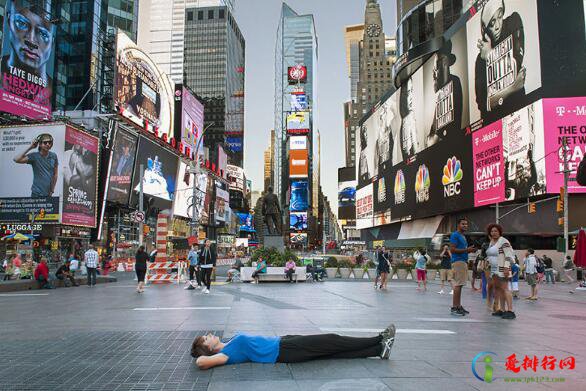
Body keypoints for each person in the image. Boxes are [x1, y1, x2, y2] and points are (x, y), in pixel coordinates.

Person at [191, 324, 397, 369]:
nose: (209, 335)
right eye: (205, 339)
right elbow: (201, 363)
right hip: (286, 350)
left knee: (333, 353)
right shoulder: (225, 354)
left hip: (285, 342)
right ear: (208, 349)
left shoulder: (228, 344)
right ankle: (377, 338)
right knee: (333, 340)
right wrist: (200, 355)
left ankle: (379, 350)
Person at [474, 0, 526, 125]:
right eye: (492, 23)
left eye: (500, 16)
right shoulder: (480, 59)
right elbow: (484, 104)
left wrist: (491, 55)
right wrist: (512, 88)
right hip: (493, 127)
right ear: (484, 28)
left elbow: (516, 65)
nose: (498, 25)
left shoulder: (513, 24)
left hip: (519, 116)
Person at [1, 1, 54, 104]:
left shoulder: (52, 96)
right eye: (21, 24)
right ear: (9, 21)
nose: (31, 40)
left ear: (53, 41)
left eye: (43, 34)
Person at [427, 39, 463, 145]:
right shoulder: (440, 95)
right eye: (433, 71)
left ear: (444, 64)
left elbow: (434, 139)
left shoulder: (453, 83)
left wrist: (431, 138)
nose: (433, 76)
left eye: (436, 69)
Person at [485, 224, 516, 319]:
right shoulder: (492, 242)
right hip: (494, 270)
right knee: (498, 289)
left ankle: (510, 310)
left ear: (499, 232)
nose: (493, 233)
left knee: (505, 289)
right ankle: (502, 310)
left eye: (496, 231)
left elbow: (509, 255)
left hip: (502, 269)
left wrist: (506, 267)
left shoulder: (503, 241)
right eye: (492, 231)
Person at [450, 218, 476, 316]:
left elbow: (462, 249)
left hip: (463, 261)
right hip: (458, 261)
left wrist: (469, 250)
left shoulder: (463, 236)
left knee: (460, 285)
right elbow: (452, 249)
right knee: (458, 284)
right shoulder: (455, 235)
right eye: (463, 224)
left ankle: (458, 306)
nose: (465, 226)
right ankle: (454, 307)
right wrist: (466, 250)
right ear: (458, 225)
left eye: (466, 224)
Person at [399, 77, 420, 160]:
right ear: (403, 98)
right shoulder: (405, 122)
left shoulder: (412, 116)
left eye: (411, 91)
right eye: (408, 93)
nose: (411, 97)